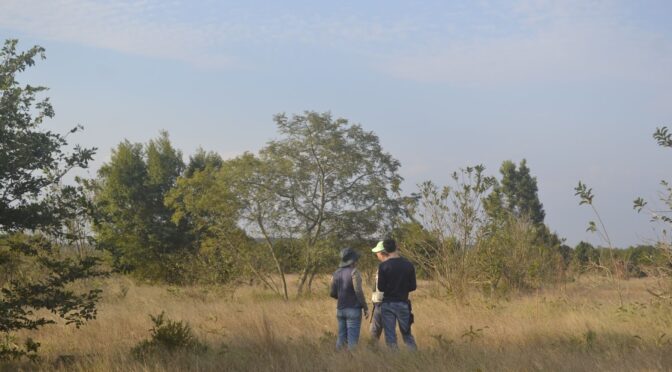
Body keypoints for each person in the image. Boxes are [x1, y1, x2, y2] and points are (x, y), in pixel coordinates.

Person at [377, 238, 417, 350]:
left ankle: (394, 360)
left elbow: (380, 287)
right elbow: (413, 286)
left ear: (385, 249)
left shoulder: (383, 266)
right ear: (397, 246)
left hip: (388, 304)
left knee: (390, 337)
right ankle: (414, 356)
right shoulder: (408, 265)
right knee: (407, 334)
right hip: (403, 303)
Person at [330, 247, 369, 350]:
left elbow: (332, 293)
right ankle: (352, 362)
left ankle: (338, 360)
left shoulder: (336, 273)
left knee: (341, 337)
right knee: (353, 340)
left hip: (340, 310)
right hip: (353, 310)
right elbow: (358, 291)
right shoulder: (354, 272)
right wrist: (365, 307)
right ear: (353, 260)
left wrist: (342, 297)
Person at [369, 241, 389, 343]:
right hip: (381, 303)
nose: (376, 255)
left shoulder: (385, 267)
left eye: (377, 252)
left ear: (382, 252)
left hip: (382, 304)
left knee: (374, 331)